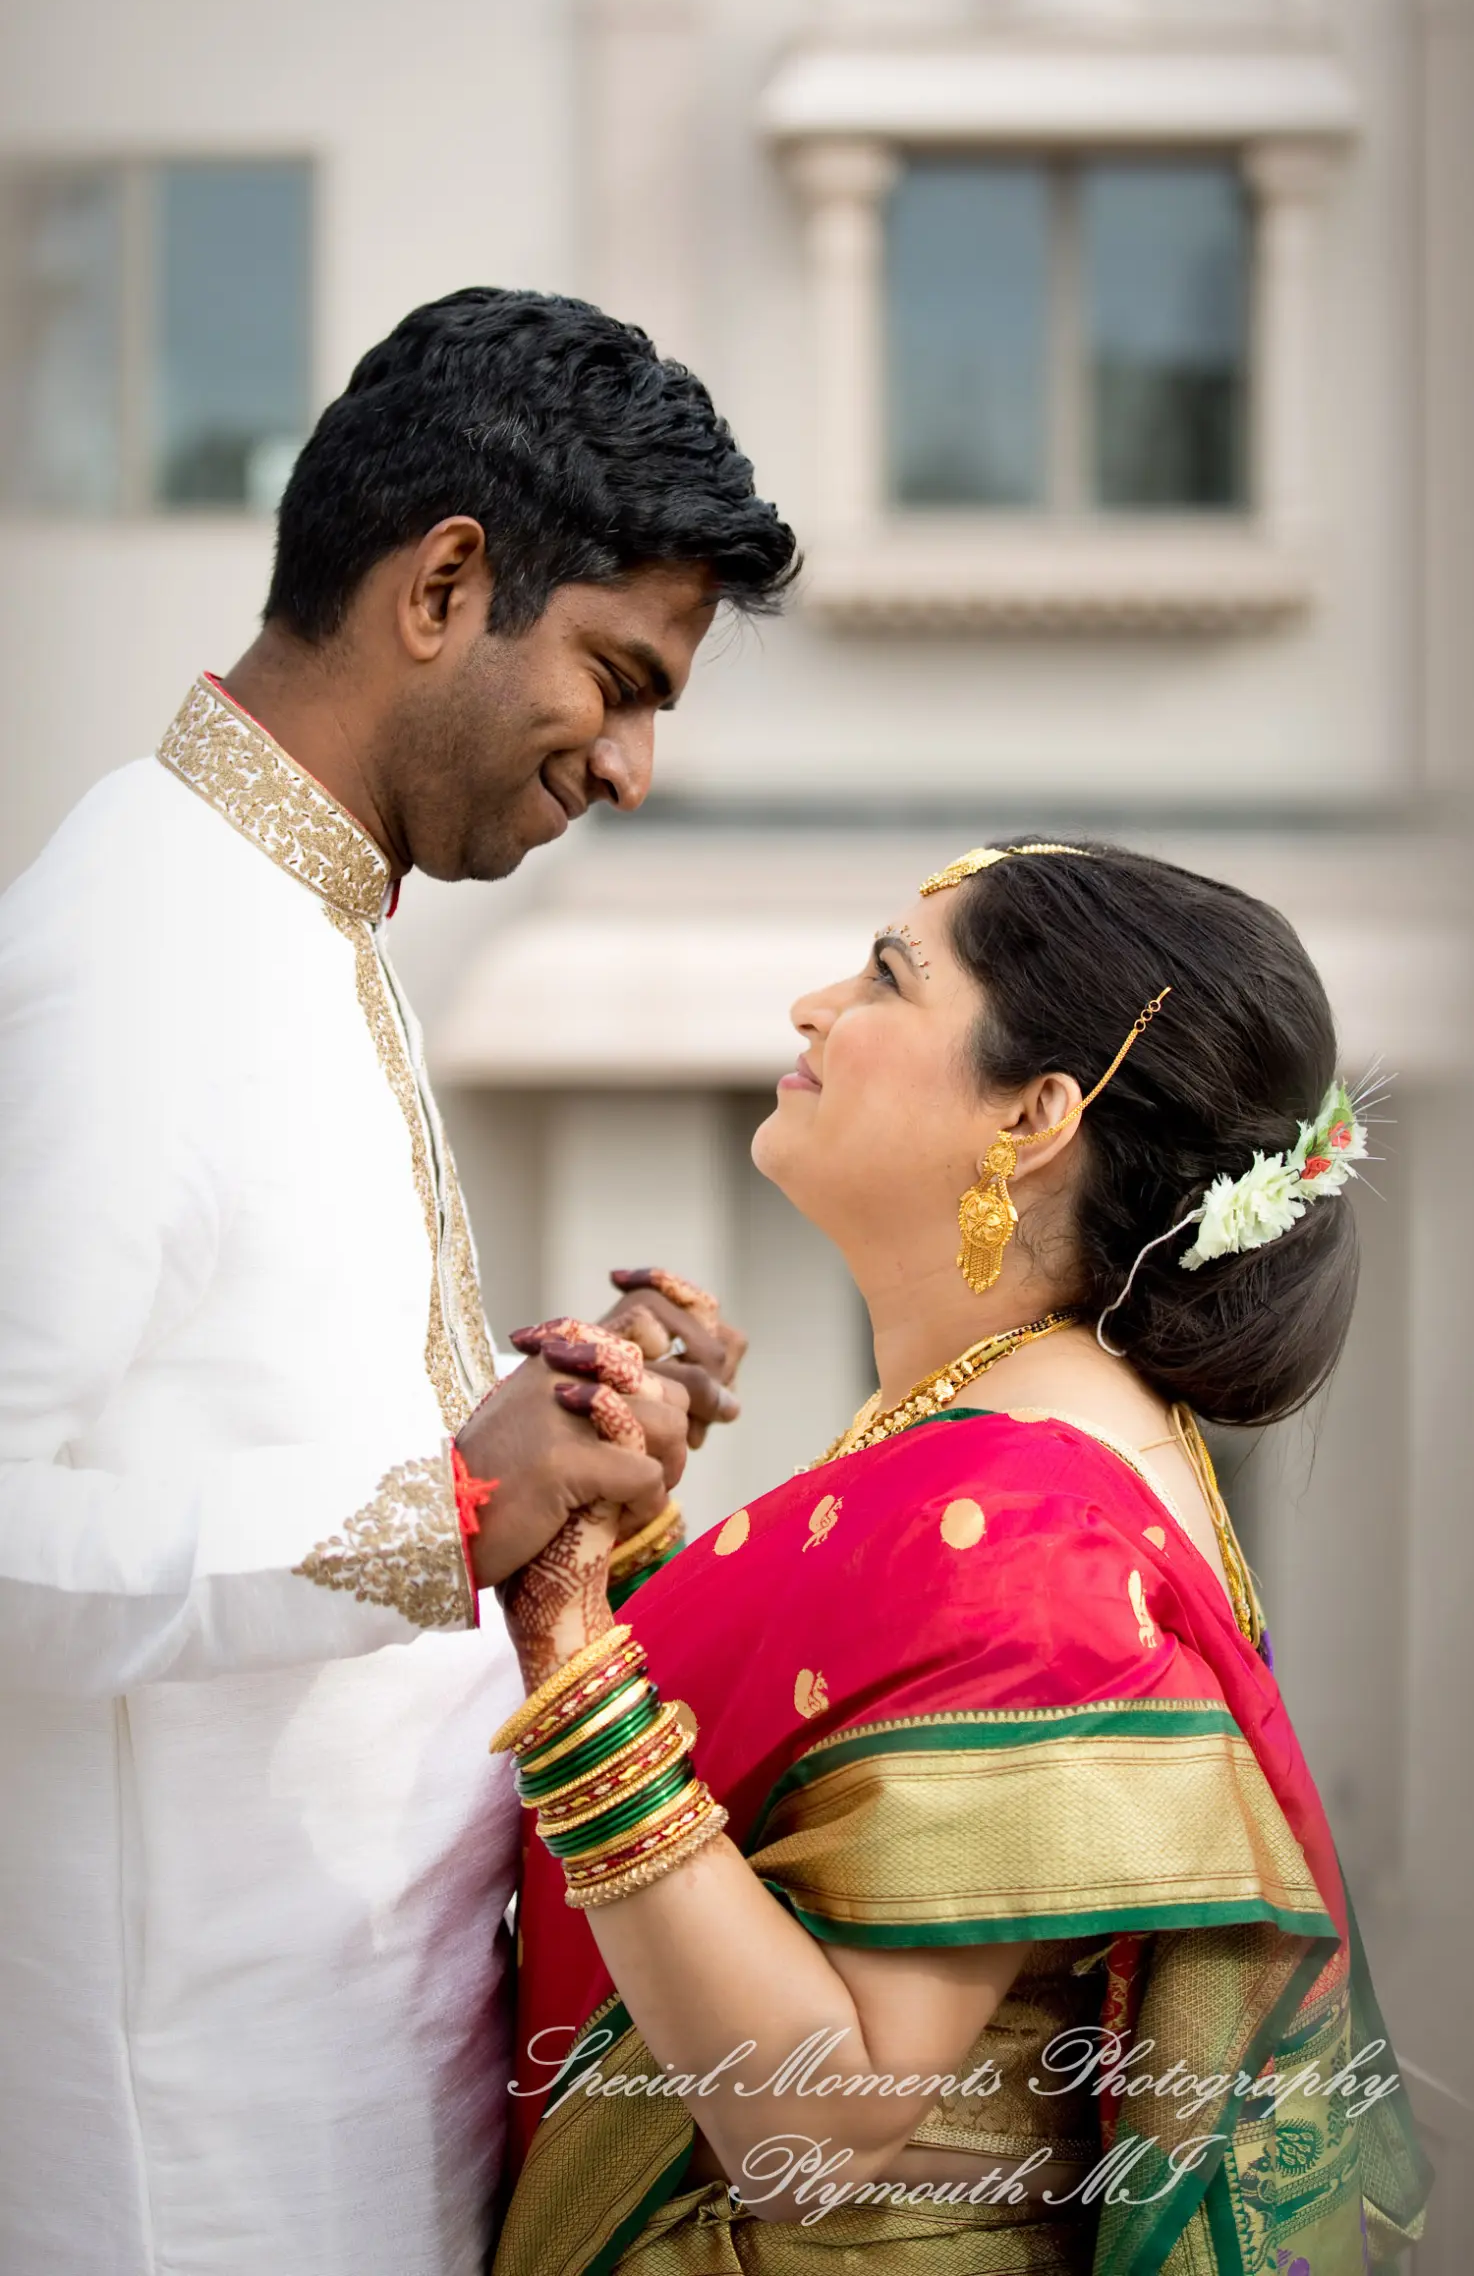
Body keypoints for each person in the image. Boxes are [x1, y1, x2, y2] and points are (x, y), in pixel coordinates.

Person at [0, 286, 796, 2276]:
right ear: (445, 582)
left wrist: (572, 1414)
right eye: (615, 677)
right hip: (202, 2167)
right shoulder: (134, 939)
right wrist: (444, 1510)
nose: (623, 765)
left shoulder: (304, 915)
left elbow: (257, 1400)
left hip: (364, 2106)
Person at [494, 839, 1430, 2275]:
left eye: (883, 975)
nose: (811, 1007)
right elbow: (797, 1814)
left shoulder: (1024, 1520)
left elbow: (822, 2120)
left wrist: (562, 1640)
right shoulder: (1010, 1439)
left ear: (1038, 1112)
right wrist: (628, 1550)